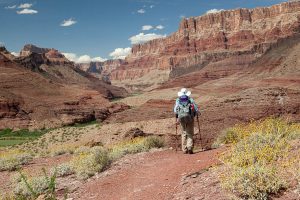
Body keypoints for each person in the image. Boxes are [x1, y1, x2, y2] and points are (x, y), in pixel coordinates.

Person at [174, 88, 198, 154]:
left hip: (181, 119)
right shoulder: (190, 99)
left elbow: (175, 110)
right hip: (190, 118)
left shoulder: (178, 100)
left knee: (184, 133)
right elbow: (195, 108)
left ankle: (184, 149)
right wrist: (196, 113)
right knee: (189, 133)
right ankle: (189, 148)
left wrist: (177, 117)